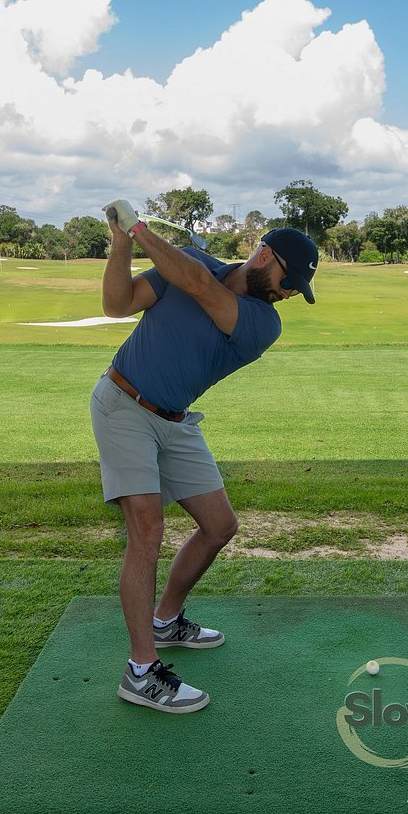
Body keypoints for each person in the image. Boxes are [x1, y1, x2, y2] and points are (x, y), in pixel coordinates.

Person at [91, 199, 318, 714]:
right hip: (123, 404)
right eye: (289, 282)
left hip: (174, 419)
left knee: (219, 525)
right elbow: (118, 304)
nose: (287, 295)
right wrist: (121, 238)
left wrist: (141, 227)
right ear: (264, 256)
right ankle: (141, 671)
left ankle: (166, 620)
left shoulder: (263, 323)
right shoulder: (187, 259)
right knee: (147, 531)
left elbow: (198, 284)